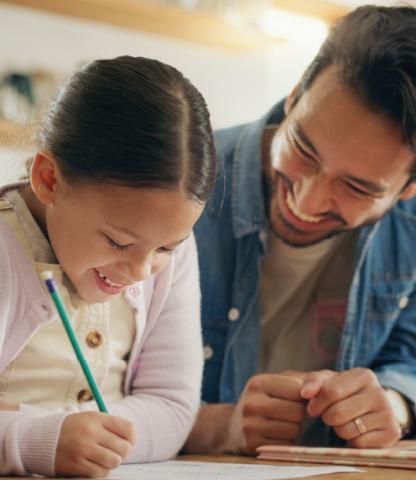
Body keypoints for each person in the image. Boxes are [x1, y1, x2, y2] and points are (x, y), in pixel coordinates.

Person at [184, 5, 416, 455]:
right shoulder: (179, 182)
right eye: (303, 150)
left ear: (408, 189)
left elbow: (408, 356)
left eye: (356, 187)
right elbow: (86, 387)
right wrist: (220, 426)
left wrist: (393, 404)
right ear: (294, 97)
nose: (306, 201)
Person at [0, 56, 215, 476]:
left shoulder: (166, 252)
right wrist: (36, 438)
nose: (140, 271)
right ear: (49, 179)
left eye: (167, 248)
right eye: (118, 241)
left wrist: (64, 432)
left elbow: (172, 408)